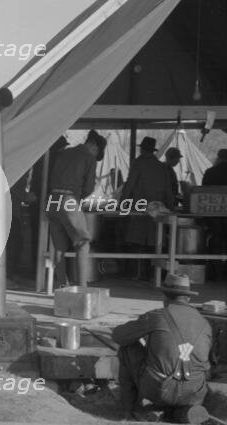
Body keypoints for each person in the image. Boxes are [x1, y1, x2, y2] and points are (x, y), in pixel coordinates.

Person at [112, 273, 212, 422]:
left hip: (159, 391)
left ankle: (130, 410)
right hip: (195, 392)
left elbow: (119, 336)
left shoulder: (156, 316)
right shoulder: (205, 323)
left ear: (164, 297)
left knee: (127, 349)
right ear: (189, 298)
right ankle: (177, 411)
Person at [46, 130, 107, 287]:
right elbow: (88, 187)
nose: (95, 155)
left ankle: (61, 284)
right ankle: (82, 287)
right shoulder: (88, 157)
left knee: (59, 247)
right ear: (93, 145)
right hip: (69, 201)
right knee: (83, 243)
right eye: (97, 152)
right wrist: (78, 199)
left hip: (52, 201)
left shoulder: (63, 153)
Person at [122, 137, 174, 280]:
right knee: (155, 243)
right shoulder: (162, 167)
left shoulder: (138, 163)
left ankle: (133, 275)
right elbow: (168, 191)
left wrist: (122, 203)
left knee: (134, 242)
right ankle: (153, 275)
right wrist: (171, 208)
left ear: (142, 149)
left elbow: (129, 185)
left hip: (139, 209)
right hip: (157, 211)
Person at [28, 136, 69, 266]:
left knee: (38, 237)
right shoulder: (54, 161)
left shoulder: (40, 158)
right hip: (46, 202)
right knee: (48, 237)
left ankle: (37, 268)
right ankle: (45, 269)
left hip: (37, 202)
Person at [202, 148, 227, 281]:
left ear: (218, 157)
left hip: (214, 216)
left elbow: (203, 194)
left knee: (215, 243)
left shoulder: (210, 172)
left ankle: (215, 273)